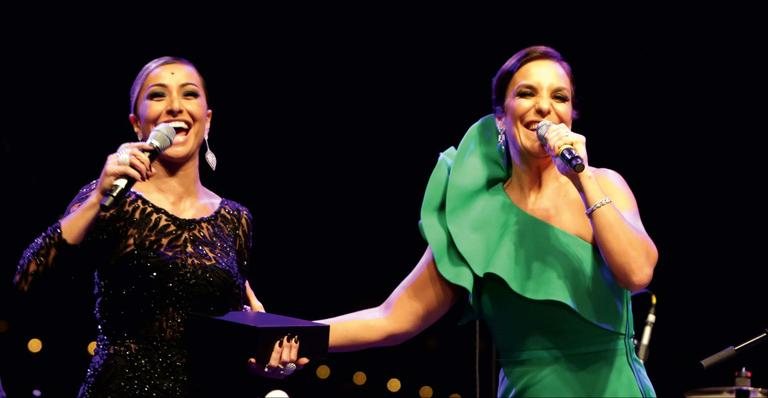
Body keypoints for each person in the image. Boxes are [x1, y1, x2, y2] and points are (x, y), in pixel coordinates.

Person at [319, 45, 658, 397]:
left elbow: (636, 273)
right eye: (527, 93)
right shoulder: (477, 217)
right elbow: (391, 319)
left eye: (560, 97)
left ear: (572, 113)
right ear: (500, 116)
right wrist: (292, 333)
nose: (544, 107)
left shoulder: (604, 184)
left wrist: (582, 177)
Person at [13, 56, 306, 398]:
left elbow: (226, 334)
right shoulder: (112, 198)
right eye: (157, 95)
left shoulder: (236, 219)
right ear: (137, 124)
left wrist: (261, 353)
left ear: (207, 120)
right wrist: (96, 200)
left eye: (189, 94)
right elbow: (27, 280)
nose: (175, 107)